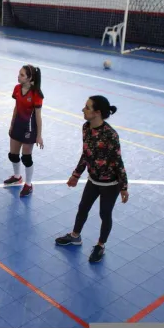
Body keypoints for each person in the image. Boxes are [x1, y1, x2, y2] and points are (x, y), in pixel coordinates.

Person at [55, 96, 129, 263]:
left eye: (87, 107)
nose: (83, 110)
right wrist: (76, 175)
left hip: (110, 184)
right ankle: (75, 237)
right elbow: (86, 153)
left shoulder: (111, 135)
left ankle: (101, 245)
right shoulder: (86, 128)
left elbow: (118, 161)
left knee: (105, 214)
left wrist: (123, 187)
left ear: (97, 112)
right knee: (83, 208)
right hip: (93, 180)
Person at [4, 65, 44, 197]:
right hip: (17, 125)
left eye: (22, 75)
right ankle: (17, 177)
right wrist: (12, 124)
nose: (18, 76)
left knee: (26, 158)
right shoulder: (17, 88)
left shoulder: (36, 94)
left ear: (29, 78)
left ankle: (28, 184)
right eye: (19, 74)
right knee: (13, 155)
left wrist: (39, 135)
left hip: (30, 129)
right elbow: (16, 108)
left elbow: (38, 116)